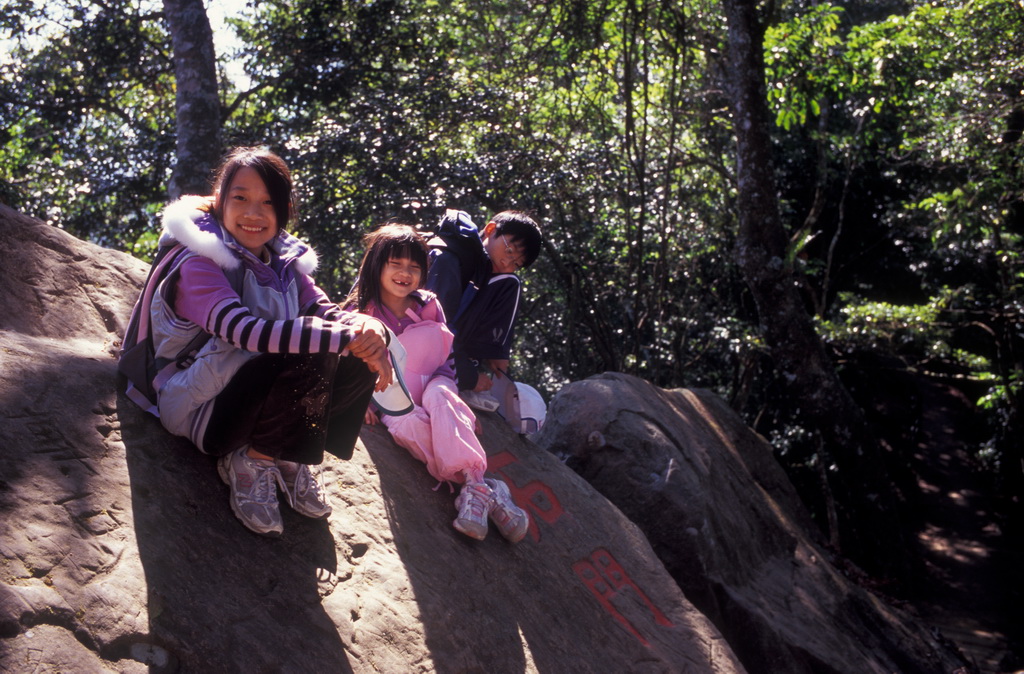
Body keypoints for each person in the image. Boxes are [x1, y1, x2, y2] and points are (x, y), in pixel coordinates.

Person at [123, 146, 393, 537]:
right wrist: (347, 336)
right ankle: (251, 461)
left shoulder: (283, 263)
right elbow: (242, 331)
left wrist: (374, 334)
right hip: (196, 402)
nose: (253, 213)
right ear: (219, 202)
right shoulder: (199, 260)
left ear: (284, 211)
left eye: (268, 202)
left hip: (245, 388)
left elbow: (325, 311)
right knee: (316, 350)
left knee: (353, 352)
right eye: (241, 198)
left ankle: (286, 452)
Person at [346, 223, 530, 543]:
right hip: (392, 395)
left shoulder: (428, 303)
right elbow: (347, 360)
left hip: (433, 379)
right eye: (396, 264)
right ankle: (481, 487)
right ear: (377, 264)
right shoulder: (362, 311)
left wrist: (458, 403)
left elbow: (445, 355)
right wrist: (359, 399)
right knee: (408, 428)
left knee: (444, 401)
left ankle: (474, 486)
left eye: (415, 267)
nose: (405, 273)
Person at [423, 209, 542, 409]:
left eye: (516, 263)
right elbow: (434, 325)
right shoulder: (450, 259)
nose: (507, 263)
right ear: (490, 229)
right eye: (509, 251)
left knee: (511, 282)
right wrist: (467, 376)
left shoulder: (484, 269)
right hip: (411, 344)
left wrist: (498, 353)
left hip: (441, 350)